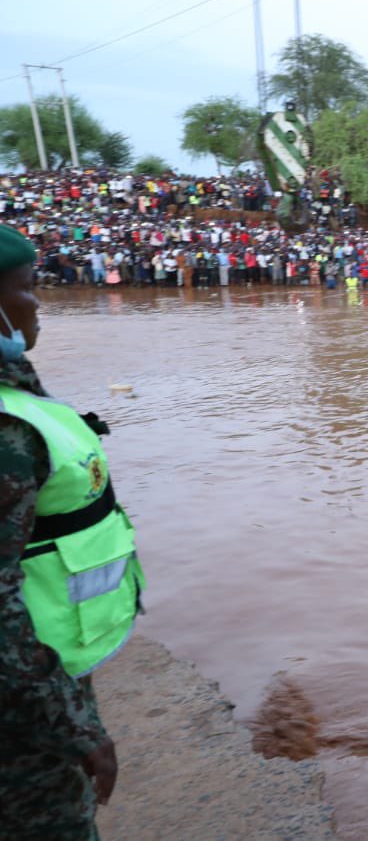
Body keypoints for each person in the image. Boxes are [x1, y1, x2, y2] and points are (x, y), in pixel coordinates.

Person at [0, 225, 145, 837]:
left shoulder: (17, 398)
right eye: (27, 290)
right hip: (23, 708)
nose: (37, 306)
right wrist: (73, 729)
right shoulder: (8, 433)